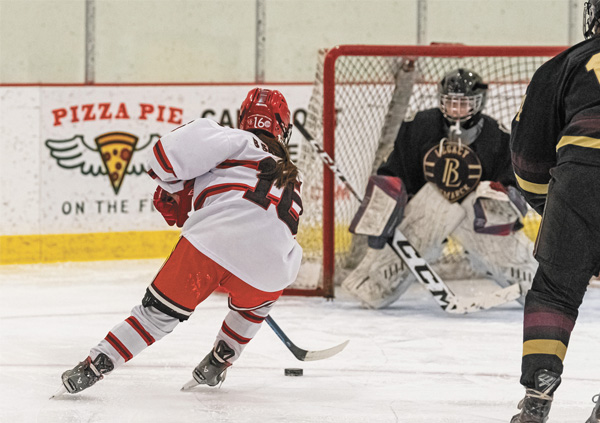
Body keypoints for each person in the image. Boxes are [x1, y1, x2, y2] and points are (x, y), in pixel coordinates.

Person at [54, 88, 303, 395]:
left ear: (243, 118)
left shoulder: (231, 139)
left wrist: (175, 188)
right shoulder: (292, 176)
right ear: (282, 128)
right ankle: (217, 363)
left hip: (212, 242)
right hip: (271, 268)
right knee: (256, 303)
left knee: (155, 317)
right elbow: (267, 222)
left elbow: (161, 160)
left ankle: (92, 367)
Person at [342, 68, 536, 309]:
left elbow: (513, 185)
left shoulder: (496, 137)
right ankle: (375, 283)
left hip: (475, 218)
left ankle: (535, 287)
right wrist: (383, 206)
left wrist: (502, 200)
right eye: (451, 103)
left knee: (534, 288)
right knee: (372, 291)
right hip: (427, 215)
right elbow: (395, 172)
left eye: (463, 104)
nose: (456, 110)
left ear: (478, 103)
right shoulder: (419, 127)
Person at [509, 1, 600, 421]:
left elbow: (528, 158)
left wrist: (561, 211)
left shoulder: (567, 63)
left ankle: (538, 395)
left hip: (581, 175)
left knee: (555, 291)